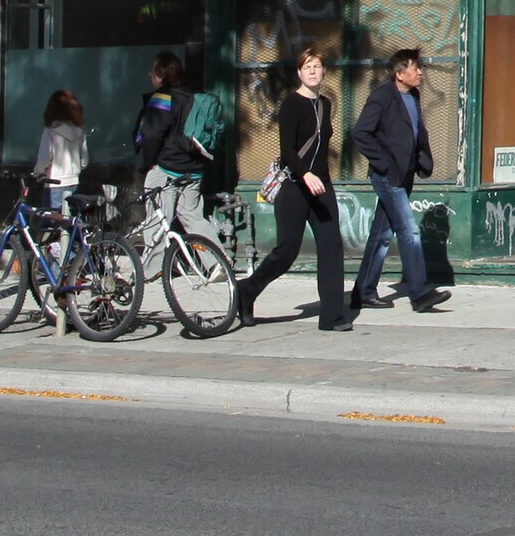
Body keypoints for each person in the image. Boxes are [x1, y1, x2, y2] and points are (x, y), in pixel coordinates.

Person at [236, 46, 353, 332]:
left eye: (317, 66)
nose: (313, 71)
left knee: (331, 247)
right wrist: (306, 174)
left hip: (321, 185)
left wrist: (321, 178)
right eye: (307, 67)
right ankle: (247, 290)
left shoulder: (324, 104)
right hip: (295, 185)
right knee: (287, 251)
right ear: (299, 73)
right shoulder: (292, 104)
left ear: (324, 71)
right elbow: (287, 150)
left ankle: (332, 317)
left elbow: (322, 148)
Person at [349, 48, 449, 315]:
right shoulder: (382, 97)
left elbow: (416, 132)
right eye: (414, 68)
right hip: (387, 176)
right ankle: (420, 292)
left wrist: (421, 160)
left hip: (404, 175)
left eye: (419, 68)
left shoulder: (413, 95)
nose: (419, 72)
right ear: (399, 73)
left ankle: (364, 291)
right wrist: (383, 163)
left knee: (382, 235)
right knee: (409, 231)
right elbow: (361, 133)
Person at [133, 50, 217, 274]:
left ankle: (151, 270)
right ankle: (217, 263)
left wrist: (148, 164)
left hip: (167, 167)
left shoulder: (163, 97)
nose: (151, 76)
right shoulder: (191, 95)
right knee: (193, 216)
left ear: (161, 76)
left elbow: (151, 134)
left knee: (156, 219)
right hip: (195, 170)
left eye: (153, 72)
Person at [32, 89, 87, 212]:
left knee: (50, 222)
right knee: (68, 221)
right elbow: (85, 160)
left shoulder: (50, 131)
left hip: (54, 182)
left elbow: (45, 158)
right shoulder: (79, 132)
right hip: (73, 181)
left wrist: (38, 171)